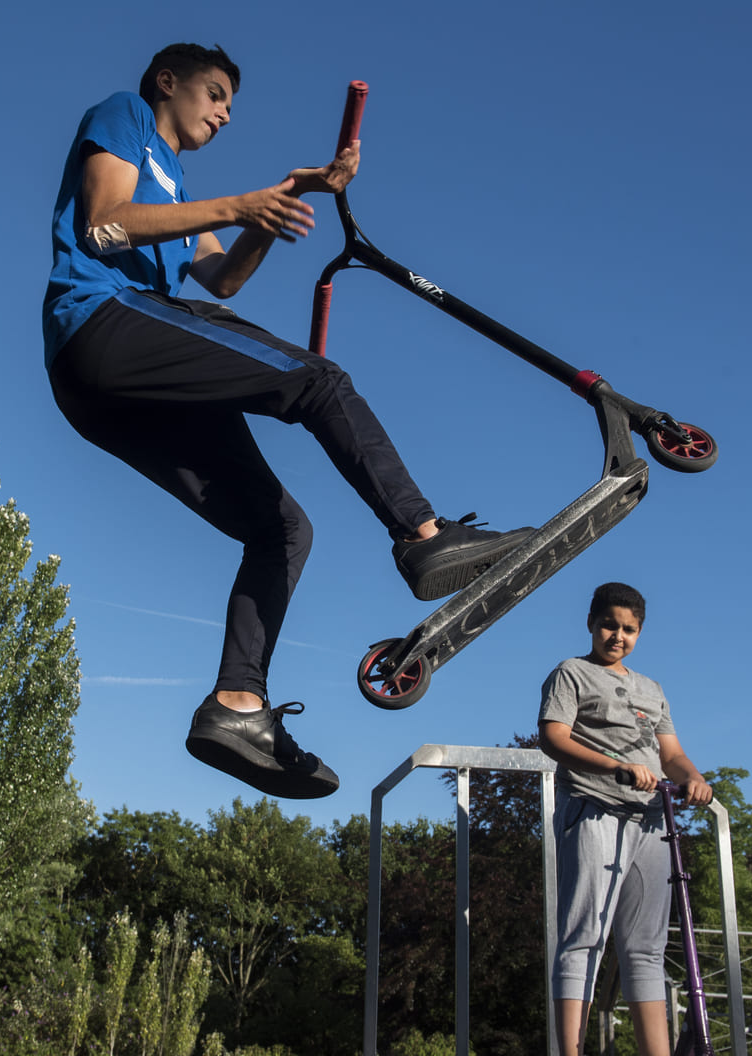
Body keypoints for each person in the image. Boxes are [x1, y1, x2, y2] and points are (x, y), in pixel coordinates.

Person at [43, 43, 532, 801]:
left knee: (282, 529)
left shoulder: (178, 192)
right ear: (168, 82)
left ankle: (237, 705)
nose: (223, 112)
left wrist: (276, 203)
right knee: (316, 380)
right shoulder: (127, 116)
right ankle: (425, 536)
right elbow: (105, 224)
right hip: (101, 323)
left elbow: (226, 277)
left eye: (231, 105)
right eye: (213, 93)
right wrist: (240, 204)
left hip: (111, 393)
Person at [537, 582, 713, 1056]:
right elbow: (554, 736)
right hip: (594, 807)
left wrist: (694, 779)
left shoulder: (651, 689)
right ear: (592, 622)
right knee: (585, 934)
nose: (618, 636)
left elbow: (670, 754)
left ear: (639, 632)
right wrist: (613, 767)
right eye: (610, 625)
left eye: (629, 629)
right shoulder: (571, 674)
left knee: (646, 948)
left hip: (653, 821)